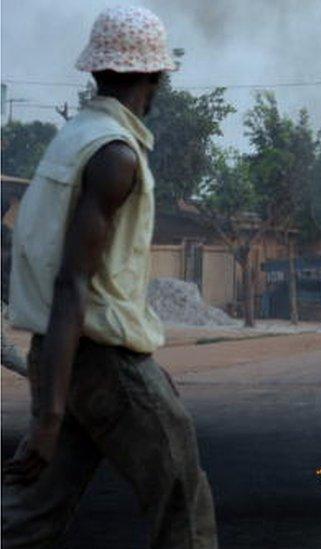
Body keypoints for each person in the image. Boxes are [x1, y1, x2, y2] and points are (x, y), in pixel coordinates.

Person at [2, 6, 218, 547]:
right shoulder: (115, 156)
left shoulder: (73, 139)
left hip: (62, 356)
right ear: (155, 75)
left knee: (30, 515)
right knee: (183, 501)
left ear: (96, 71)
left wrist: (60, 400)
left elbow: (94, 280)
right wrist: (49, 418)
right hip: (100, 361)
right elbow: (73, 282)